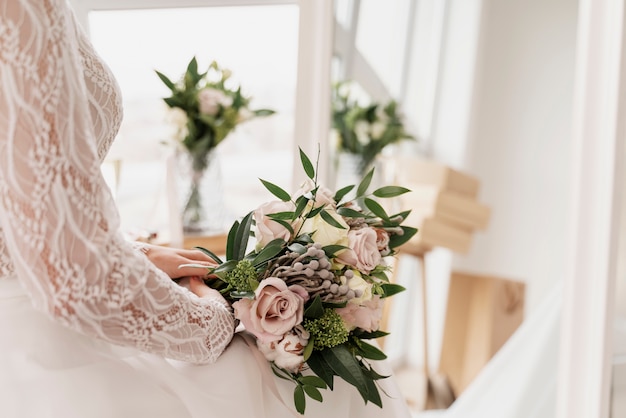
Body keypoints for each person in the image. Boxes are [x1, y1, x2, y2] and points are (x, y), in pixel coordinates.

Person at [0, 1, 411, 417]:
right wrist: (214, 322)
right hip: (35, 353)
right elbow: (76, 281)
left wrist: (132, 254)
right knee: (341, 385)